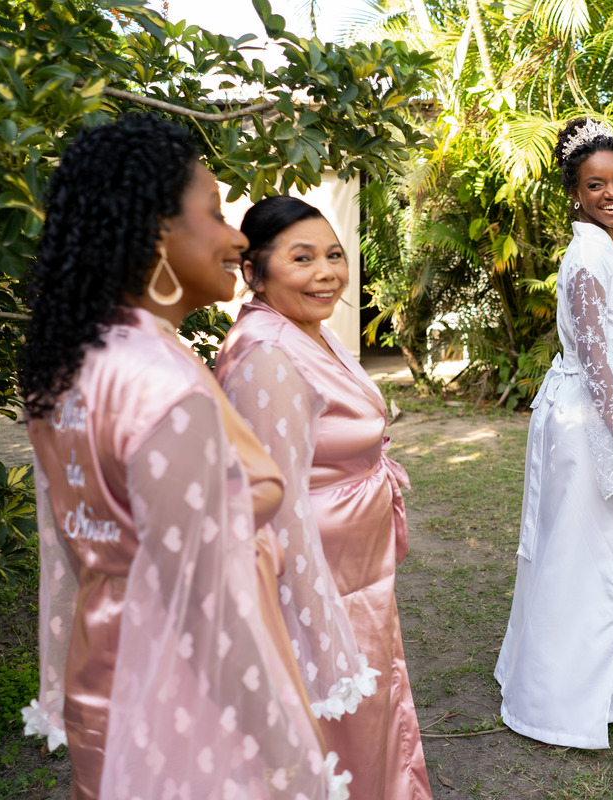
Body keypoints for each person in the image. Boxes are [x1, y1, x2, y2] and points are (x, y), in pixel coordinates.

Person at [18, 115, 351, 799]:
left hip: (103, 666)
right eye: (216, 213)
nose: (237, 238)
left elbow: (76, 549)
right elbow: (209, 607)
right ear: (156, 236)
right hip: (180, 695)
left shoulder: (70, 361)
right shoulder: (160, 387)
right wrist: (290, 757)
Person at [215, 196, 433, 800]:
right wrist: (316, 625)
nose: (327, 273)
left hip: (352, 563)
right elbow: (271, 504)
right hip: (314, 576)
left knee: (371, 703)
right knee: (338, 710)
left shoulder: (306, 330)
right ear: (254, 272)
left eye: (334, 255)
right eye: (302, 258)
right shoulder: (266, 354)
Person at [493, 117, 613, 749]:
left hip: (589, 409)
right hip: (592, 416)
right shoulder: (588, 255)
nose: (611, 193)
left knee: (580, 550)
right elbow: (593, 356)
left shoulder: (598, 247)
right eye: (596, 184)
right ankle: (561, 703)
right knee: (588, 555)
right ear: (575, 192)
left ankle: (573, 689)